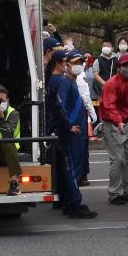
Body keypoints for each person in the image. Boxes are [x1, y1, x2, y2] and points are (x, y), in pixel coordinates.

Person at [44, 48, 96, 219]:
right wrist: (68, 126)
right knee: (72, 168)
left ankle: (66, 201)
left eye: (80, 63)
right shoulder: (63, 81)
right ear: (61, 64)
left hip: (70, 130)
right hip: (72, 132)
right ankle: (74, 203)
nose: (76, 66)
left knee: (66, 168)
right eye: (72, 63)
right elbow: (60, 104)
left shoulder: (60, 80)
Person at [99, 52, 128, 204]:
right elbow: (109, 105)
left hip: (125, 122)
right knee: (118, 159)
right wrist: (118, 121)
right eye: (125, 66)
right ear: (119, 68)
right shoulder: (111, 84)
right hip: (112, 122)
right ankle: (115, 193)